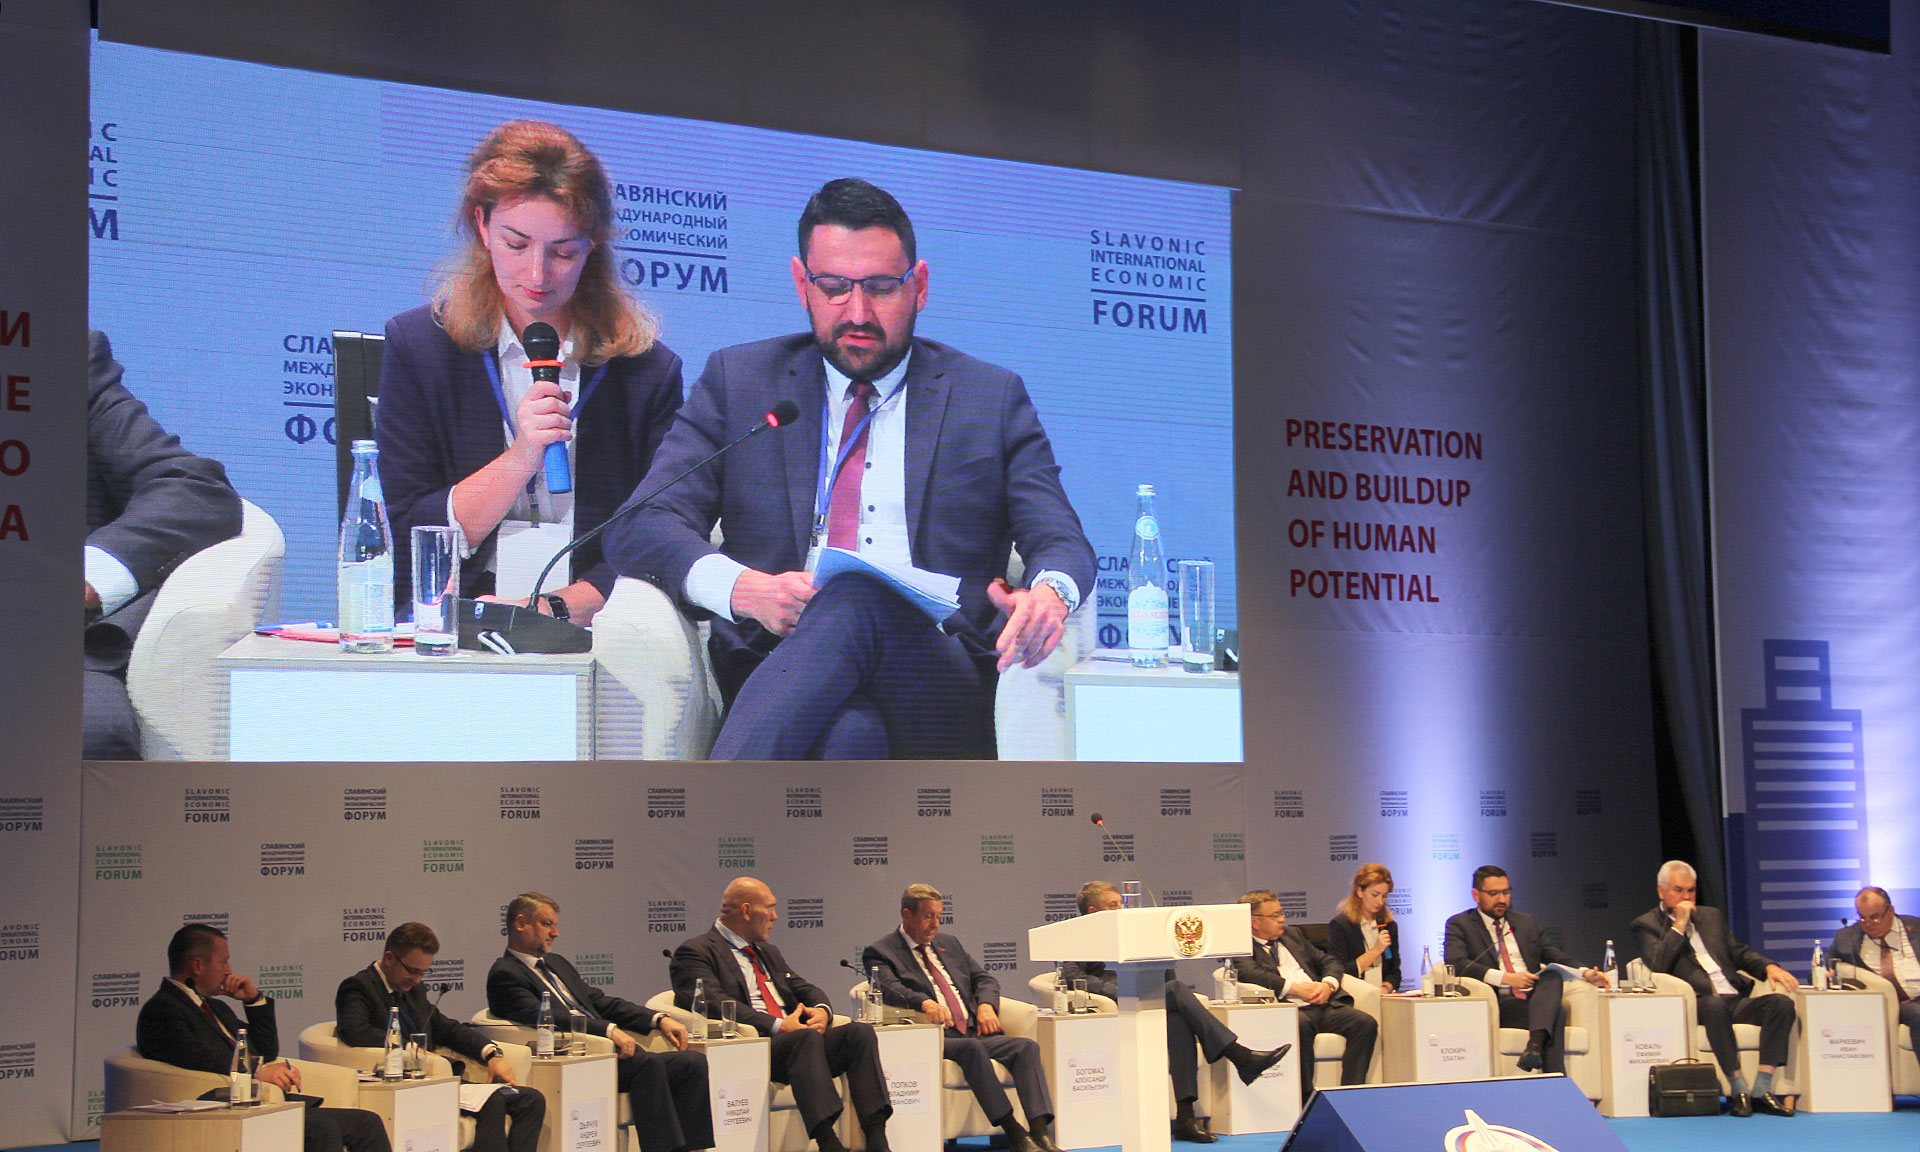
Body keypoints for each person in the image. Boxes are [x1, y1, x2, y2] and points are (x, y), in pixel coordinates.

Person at [605, 177, 1095, 759]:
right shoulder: (742, 383)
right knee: (849, 736)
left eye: (882, 288)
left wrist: (1050, 593)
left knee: (855, 597)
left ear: (919, 286)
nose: (858, 312)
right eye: (834, 288)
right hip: (779, 669)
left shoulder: (988, 398)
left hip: (934, 680)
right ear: (801, 284)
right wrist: (746, 590)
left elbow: (1061, 540)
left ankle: (707, 812)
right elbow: (640, 524)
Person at [377, 120, 683, 623]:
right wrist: (521, 456)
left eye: (563, 252)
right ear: (482, 225)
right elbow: (402, 530)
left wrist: (549, 609)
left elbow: (657, 537)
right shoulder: (421, 348)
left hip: (588, 620)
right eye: (516, 244)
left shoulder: (645, 372)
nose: (538, 274)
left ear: (592, 245)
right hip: (455, 614)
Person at [85, 329, 243, 759]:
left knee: (87, 728)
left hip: (45, 648)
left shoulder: (58, 359)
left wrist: (87, 579)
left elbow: (193, 489)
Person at [672, 877, 892, 1152]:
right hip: (755, 1047)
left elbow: (804, 988)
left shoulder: (767, 952)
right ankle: (828, 1142)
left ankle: (877, 1140)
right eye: (770, 908)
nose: (775, 917)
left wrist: (821, 1011)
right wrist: (778, 1025)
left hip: (800, 1046)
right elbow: (714, 1003)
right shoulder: (695, 951)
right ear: (747, 911)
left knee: (858, 1033)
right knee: (804, 1039)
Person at [1059, 881, 1288, 1143]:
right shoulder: (1078, 937)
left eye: (1121, 903)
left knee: (1179, 1021)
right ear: (1093, 911)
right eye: (1113, 905)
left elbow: (1162, 968)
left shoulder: (1133, 932)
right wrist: (1118, 990)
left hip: (1150, 1001)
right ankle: (1239, 1055)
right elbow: (1072, 975)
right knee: (1177, 991)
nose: (1121, 908)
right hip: (1116, 1007)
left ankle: (1185, 1118)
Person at [486, 892, 712, 1152]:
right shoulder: (505, 974)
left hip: (612, 1056)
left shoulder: (556, 963)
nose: (555, 933)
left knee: (692, 1062)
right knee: (647, 1064)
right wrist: (608, 1029)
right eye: (547, 924)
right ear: (520, 923)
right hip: (576, 1060)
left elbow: (599, 1002)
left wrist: (658, 1019)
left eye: (555, 925)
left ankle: (696, 1149)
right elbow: (545, 1017)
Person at [136, 924, 389, 1152]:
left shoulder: (217, 1008)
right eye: (224, 962)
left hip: (257, 1102)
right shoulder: (162, 1009)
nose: (229, 971)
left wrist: (253, 1000)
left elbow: (266, 1051)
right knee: (323, 1129)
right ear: (198, 966)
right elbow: (197, 1055)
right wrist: (257, 1072)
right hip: (220, 1110)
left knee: (367, 1122)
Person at [862, 884, 1059, 1152]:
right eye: (928, 916)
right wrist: (924, 1002)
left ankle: (1041, 1134)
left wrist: (987, 1006)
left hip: (972, 1030)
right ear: (907, 915)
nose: (935, 924)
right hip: (935, 1036)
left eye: (938, 916)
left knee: (1025, 1047)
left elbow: (984, 979)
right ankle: (1014, 1132)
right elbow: (888, 988)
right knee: (972, 1049)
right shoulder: (881, 951)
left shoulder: (949, 944)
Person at [336, 922, 545, 1152]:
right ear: (389, 958)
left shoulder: (414, 990)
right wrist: (409, 1050)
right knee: (491, 1101)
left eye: (423, 973)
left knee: (531, 1100)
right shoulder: (358, 987)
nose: (417, 980)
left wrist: (491, 1053)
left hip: (444, 1078)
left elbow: (446, 1028)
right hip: (408, 1084)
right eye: (412, 971)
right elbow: (356, 1031)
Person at [1631, 860, 1798, 1118]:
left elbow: (1739, 953)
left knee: (1781, 1004)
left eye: (1691, 890)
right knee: (1714, 1004)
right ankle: (1738, 1089)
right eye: (1678, 890)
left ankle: (1761, 1089)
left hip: (1733, 998)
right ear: (1661, 891)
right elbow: (1657, 964)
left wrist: (1769, 967)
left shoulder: (1711, 917)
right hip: (1697, 1004)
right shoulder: (1646, 924)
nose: (1686, 897)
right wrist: (1679, 926)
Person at [1441, 865, 1608, 1073]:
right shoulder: (1460, 924)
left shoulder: (1525, 922)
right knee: (1557, 1014)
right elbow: (1456, 963)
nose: (1501, 899)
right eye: (1494, 893)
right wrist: (1505, 978)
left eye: (1506, 892)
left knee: (1552, 976)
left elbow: (1553, 954)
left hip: (1535, 996)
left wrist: (1586, 973)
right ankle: (1552, 1072)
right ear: (1476, 895)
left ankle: (1535, 1048)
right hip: (1501, 1001)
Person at [1232, 889, 1377, 1100]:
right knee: (1300, 1024)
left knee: (1364, 1023)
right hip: (1288, 1009)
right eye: (1275, 915)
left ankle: (1350, 1096)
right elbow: (1249, 973)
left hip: (1322, 1005)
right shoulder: (1241, 946)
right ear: (1255, 922)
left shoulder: (1292, 935)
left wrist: (1327, 985)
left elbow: (1329, 961)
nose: (1282, 919)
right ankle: (1306, 1099)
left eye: (1281, 913)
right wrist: (1294, 989)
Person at [1829, 886, 1920, 1045]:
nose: (1868, 924)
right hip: (1887, 1004)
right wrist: (1827, 973)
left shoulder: (1916, 927)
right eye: (1862, 918)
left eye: (1875, 917)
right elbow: (1824, 967)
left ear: (1890, 911)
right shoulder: (1846, 938)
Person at [1325, 863, 1399, 993]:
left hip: (1383, 995)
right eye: (1375, 895)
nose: (1380, 902)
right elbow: (1340, 972)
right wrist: (1375, 950)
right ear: (1360, 891)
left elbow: (1395, 971)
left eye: (1384, 896)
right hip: (1353, 996)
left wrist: (1386, 988)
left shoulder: (1389, 926)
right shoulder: (1341, 926)